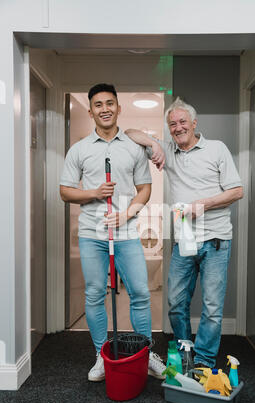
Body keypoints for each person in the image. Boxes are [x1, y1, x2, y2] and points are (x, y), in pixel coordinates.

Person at [125, 97, 243, 369]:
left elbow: (237, 191)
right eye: (172, 124)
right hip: (183, 243)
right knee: (176, 303)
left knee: (212, 309)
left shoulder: (216, 149)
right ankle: (184, 352)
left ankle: (202, 361)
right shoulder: (168, 151)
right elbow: (130, 133)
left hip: (216, 241)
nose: (178, 127)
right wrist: (154, 143)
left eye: (182, 122)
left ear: (194, 123)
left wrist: (203, 204)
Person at [60, 83, 166, 381]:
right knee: (94, 294)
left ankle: (145, 355)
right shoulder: (78, 150)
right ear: (91, 110)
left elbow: (145, 189)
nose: (104, 108)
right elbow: (65, 192)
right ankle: (101, 356)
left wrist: (127, 214)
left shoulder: (133, 146)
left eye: (110, 103)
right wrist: (94, 192)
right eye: (98, 104)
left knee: (141, 293)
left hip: (127, 233)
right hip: (92, 234)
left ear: (118, 108)